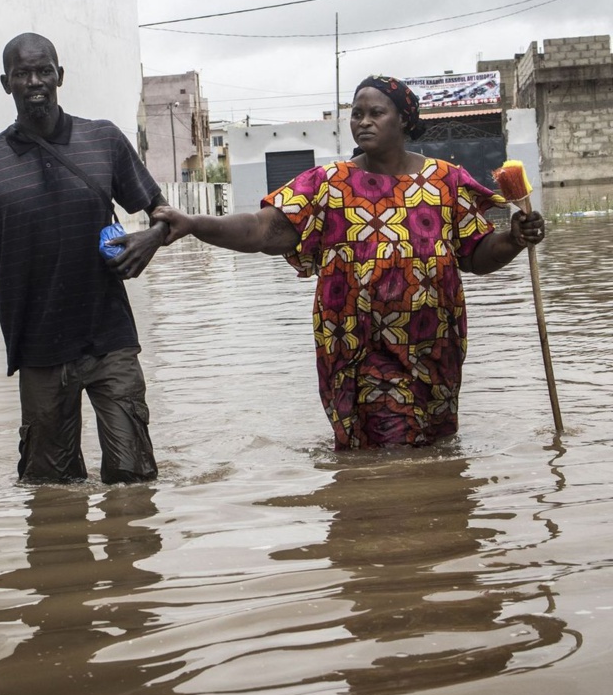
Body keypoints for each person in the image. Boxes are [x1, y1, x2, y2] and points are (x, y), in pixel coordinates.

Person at [153, 74, 546, 449]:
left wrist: (512, 239)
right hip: (359, 347)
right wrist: (193, 223)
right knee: (392, 444)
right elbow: (260, 230)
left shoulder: (446, 181)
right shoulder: (328, 183)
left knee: (431, 444)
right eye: (357, 114)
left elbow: (476, 256)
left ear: (405, 120)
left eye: (377, 113)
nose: (364, 122)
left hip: (434, 345)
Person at [0, 32, 170, 484]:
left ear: (60, 76)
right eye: (22, 73)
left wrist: (151, 238)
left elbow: (163, 214)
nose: (35, 81)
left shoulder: (102, 139)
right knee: (51, 490)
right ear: (5, 83)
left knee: (133, 481)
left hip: (110, 341)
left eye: (43, 70)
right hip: (39, 352)